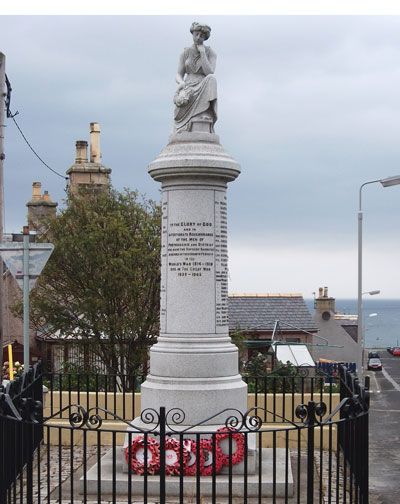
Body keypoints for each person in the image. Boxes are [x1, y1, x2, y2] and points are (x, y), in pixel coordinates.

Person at [173, 22, 217, 133]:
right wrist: (181, 83)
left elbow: (209, 72)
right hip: (189, 85)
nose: (198, 38)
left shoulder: (210, 52)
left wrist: (203, 53)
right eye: (196, 34)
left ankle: (204, 112)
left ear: (205, 37)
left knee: (212, 79)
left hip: (204, 84)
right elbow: (179, 74)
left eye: (201, 36)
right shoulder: (185, 52)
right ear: (192, 33)